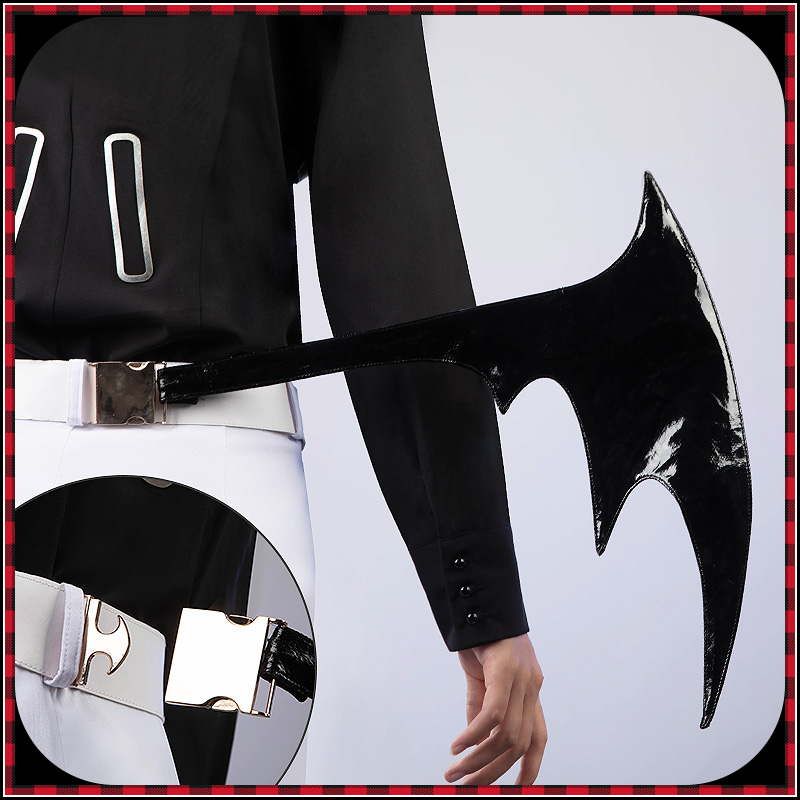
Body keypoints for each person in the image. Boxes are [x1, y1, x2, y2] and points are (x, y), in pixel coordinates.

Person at [13, 14, 546, 785]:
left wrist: (477, 588)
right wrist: (482, 598)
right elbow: (388, 224)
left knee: (210, 726)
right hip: (202, 460)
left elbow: (386, 220)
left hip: (194, 456)